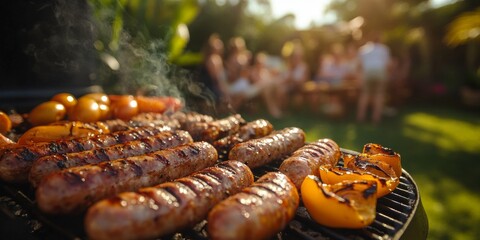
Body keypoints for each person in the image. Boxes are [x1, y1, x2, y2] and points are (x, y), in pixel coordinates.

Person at [356, 31, 391, 124]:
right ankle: (376, 118)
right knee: (379, 95)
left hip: (367, 73)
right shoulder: (384, 49)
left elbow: (359, 65)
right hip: (379, 72)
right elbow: (387, 65)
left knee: (365, 94)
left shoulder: (363, 49)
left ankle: (361, 117)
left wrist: (360, 77)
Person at [198, 34, 229, 107]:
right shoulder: (214, 59)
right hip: (210, 89)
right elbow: (217, 79)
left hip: (206, 88)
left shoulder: (211, 58)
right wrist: (226, 93)